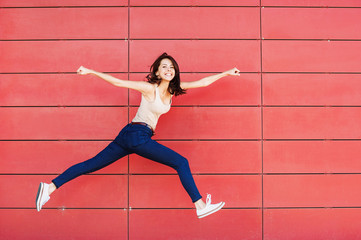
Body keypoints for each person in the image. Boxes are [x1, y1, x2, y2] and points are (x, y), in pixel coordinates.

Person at [36, 52, 240, 218]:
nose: (169, 70)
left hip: (130, 135)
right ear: (157, 73)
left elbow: (203, 83)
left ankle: (50, 187)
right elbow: (118, 83)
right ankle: (200, 205)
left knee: (91, 165)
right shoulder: (148, 88)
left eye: (171, 67)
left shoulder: (173, 90)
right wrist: (91, 71)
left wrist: (226, 73)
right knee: (181, 162)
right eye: (164, 67)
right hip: (137, 135)